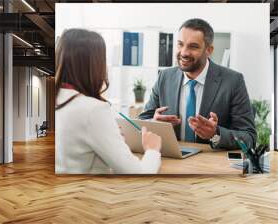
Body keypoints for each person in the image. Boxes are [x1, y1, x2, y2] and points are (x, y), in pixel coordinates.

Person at [55, 28, 162, 174]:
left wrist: (108, 137)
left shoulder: (57, 99)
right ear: (95, 64)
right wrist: (152, 149)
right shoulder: (93, 109)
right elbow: (139, 173)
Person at [139, 18, 256, 150]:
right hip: (171, 161)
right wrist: (154, 123)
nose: (183, 52)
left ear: (209, 50)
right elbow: (141, 122)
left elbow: (249, 137)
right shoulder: (164, 77)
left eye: (193, 46)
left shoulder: (233, 81)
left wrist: (215, 134)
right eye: (180, 44)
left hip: (209, 166)